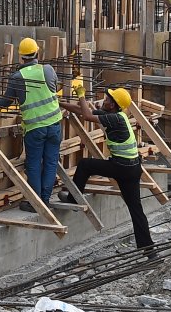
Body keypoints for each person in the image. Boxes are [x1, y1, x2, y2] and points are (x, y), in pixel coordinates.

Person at [58, 86, 156, 254]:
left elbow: (87, 116)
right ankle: (148, 248)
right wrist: (59, 103)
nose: (105, 100)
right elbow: (83, 111)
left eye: (108, 99)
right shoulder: (117, 116)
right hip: (132, 169)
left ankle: (74, 200)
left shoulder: (115, 119)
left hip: (121, 167)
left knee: (84, 165)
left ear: (113, 105)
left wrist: (82, 94)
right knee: (136, 210)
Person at [0, 37, 63, 210]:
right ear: (37, 53)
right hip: (54, 125)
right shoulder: (48, 69)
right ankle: (44, 200)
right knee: (51, 162)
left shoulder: (17, 77)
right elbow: (55, 87)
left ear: (21, 57)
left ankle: (36, 202)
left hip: (35, 129)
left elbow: (7, 101)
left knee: (34, 164)